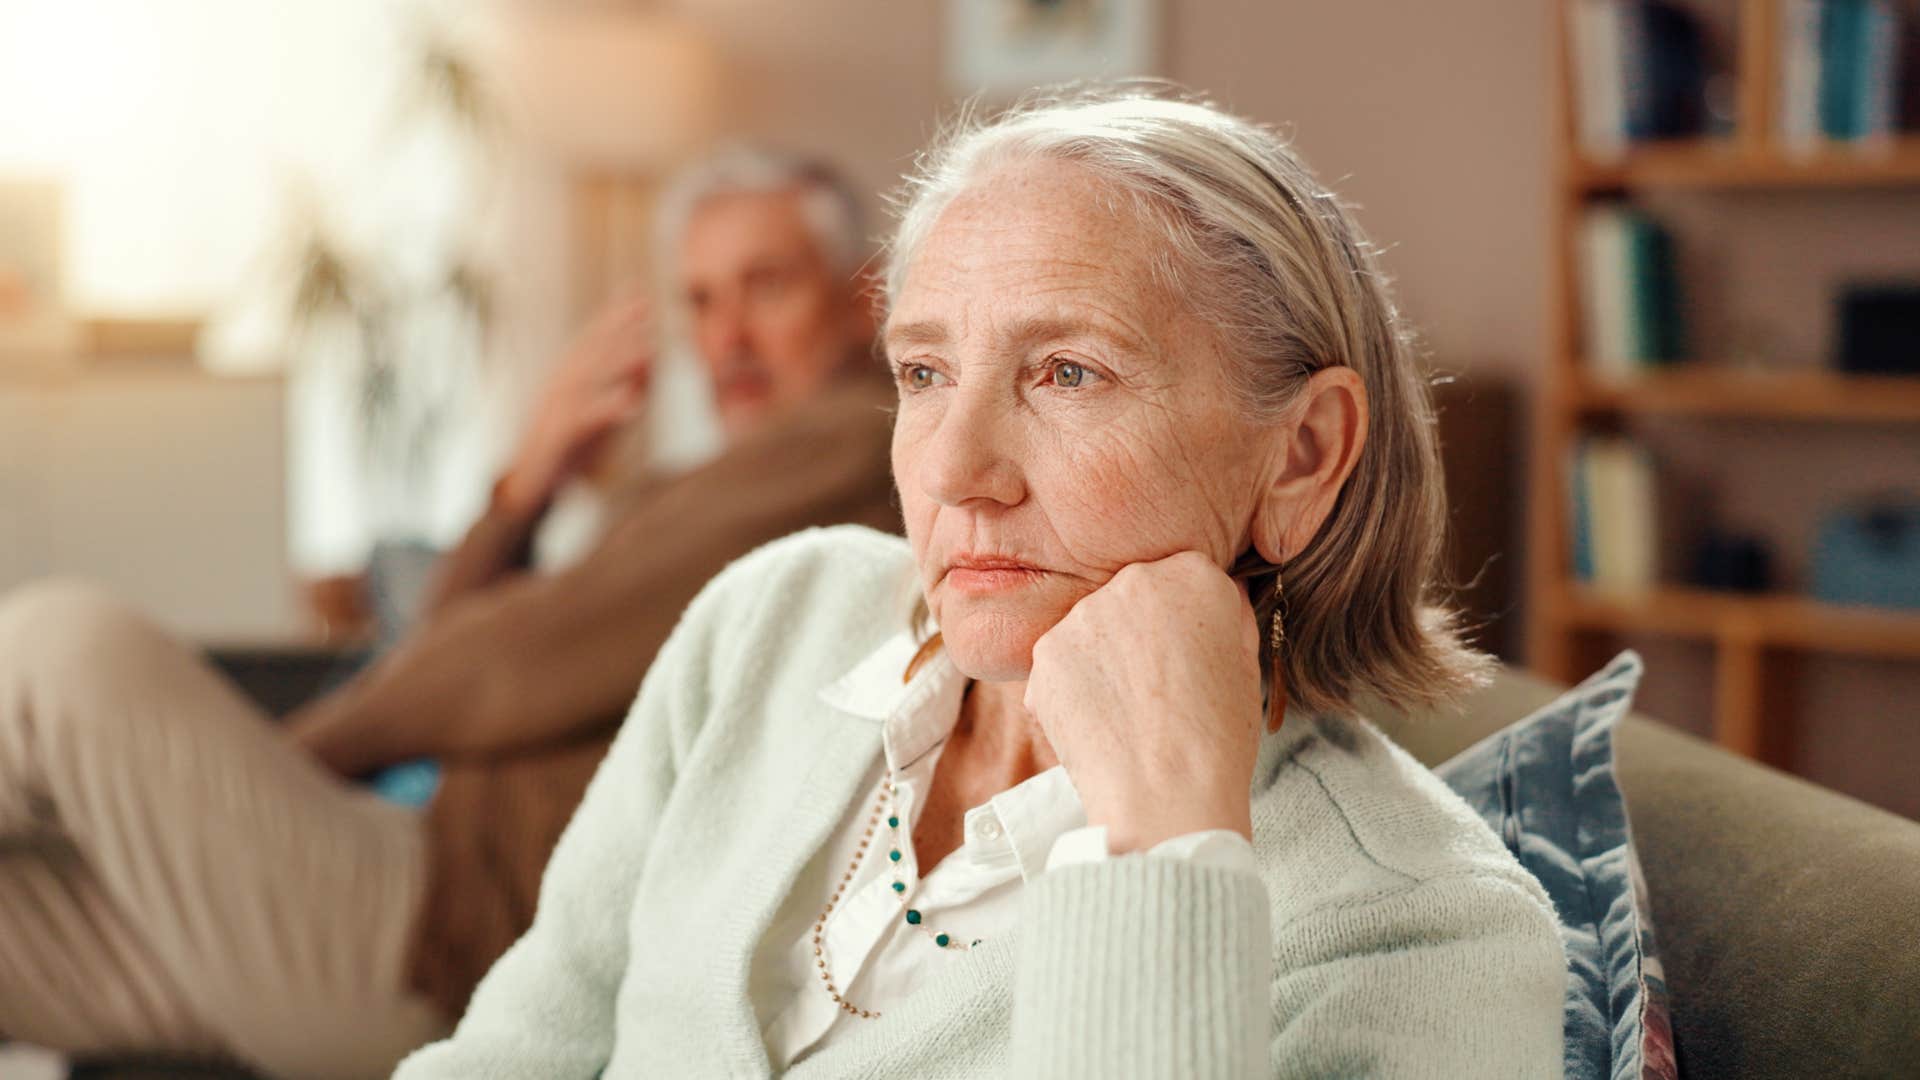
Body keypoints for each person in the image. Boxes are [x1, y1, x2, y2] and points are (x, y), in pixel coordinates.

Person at [393, 89, 1569, 1080]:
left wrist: (1163, 851)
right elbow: (514, 1048)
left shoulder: (1431, 939)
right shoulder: (771, 616)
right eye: (924, 372)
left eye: (1068, 373)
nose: (955, 470)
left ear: (1302, 453)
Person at [0, 148, 898, 1078]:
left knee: (59, 649)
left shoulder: (847, 444)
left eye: (767, 287)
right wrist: (526, 487)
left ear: (864, 296)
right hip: (407, 907)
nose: (728, 338)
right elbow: (449, 651)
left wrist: (274, 766)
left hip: (433, 937)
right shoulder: (707, 481)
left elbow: (509, 661)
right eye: (701, 301)